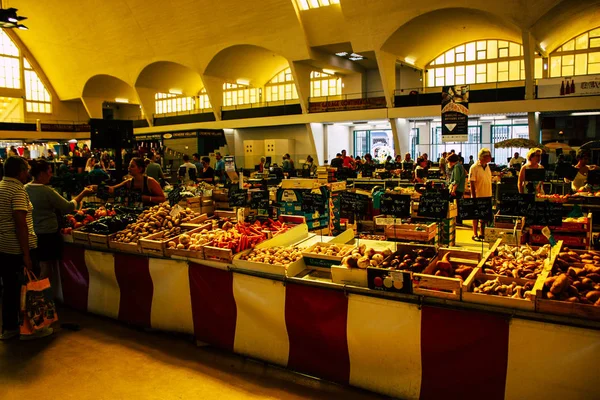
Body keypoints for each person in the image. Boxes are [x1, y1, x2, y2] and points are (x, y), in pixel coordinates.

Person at [0, 157, 53, 340]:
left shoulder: (1, 187)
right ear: (20, 171)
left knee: (9, 290)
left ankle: (9, 328)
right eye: (26, 170)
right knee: (29, 289)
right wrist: (26, 254)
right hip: (17, 249)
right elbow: (20, 224)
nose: (27, 174)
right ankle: (31, 328)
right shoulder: (17, 190)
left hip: (4, 248)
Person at [26, 159, 94, 280]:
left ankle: (39, 293)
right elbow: (67, 207)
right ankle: (45, 295)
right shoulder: (47, 191)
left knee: (38, 267)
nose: (51, 175)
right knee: (46, 268)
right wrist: (83, 193)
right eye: (49, 172)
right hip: (47, 235)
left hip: (31, 234)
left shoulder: (25, 188)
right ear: (41, 174)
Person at [469, 148, 493, 242]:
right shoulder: (474, 167)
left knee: (484, 216)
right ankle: (475, 233)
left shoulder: (487, 166)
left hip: (487, 194)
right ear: (483, 157)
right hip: (478, 195)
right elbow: (472, 183)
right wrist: (474, 197)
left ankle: (482, 233)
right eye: (488, 156)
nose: (490, 157)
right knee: (475, 216)